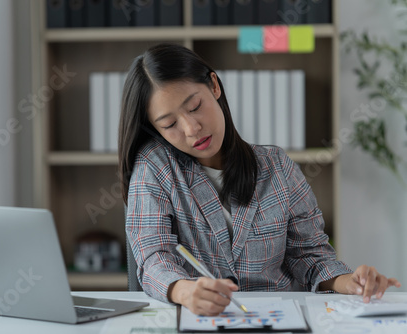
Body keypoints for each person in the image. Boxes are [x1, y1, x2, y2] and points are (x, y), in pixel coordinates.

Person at [118, 43, 401, 316]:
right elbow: (154, 256)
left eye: (194, 107)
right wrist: (184, 292)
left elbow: (311, 256)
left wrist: (348, 282)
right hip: (198, 319)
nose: (192, 128)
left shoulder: (276, 166)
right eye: (169, 124)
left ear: (214, 86)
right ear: (156, 129)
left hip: (278, 319)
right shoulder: (154, 168)